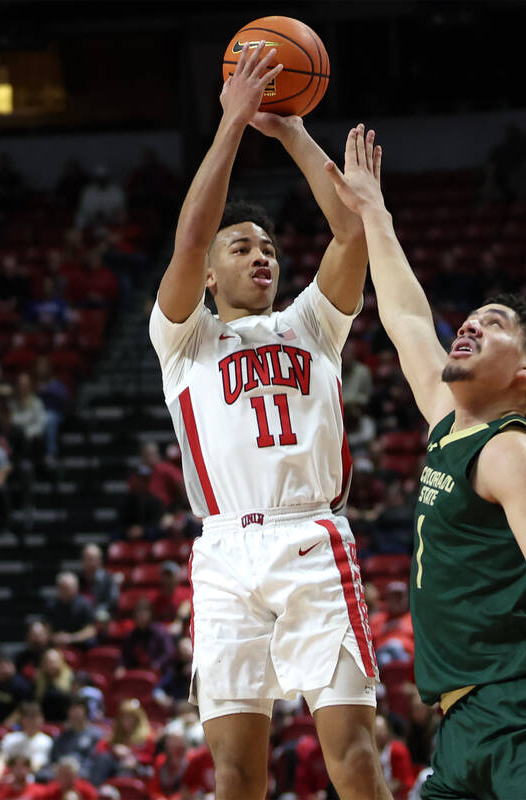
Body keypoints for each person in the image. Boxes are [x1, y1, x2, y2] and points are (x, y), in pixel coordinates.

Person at [326, 123, 526, 798]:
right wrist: (374, 212)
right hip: (462, 725)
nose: (469, 324)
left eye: (493, 322)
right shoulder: (451, 426)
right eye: (470, 318)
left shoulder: (510, 453)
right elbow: (409, 318)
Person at [145, 45, 388, 799]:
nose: (264, 258)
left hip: (310, 535)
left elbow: (353, 234)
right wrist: (230, 125)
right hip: (223, 550)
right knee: (236, 773)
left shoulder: (312, 325)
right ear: (209, 276)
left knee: (352, 757)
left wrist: (287, 132)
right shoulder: (184, 341)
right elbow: (190, 236)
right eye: (243, 247)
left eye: (271, 249)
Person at [0, 701, 53, 778]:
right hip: (7, 777)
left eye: (34, 717)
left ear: (41, 719)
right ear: (22, 720)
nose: (31, 721)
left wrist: (16, 777)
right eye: (27, 717)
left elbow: (36, 766)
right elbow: (0, 759)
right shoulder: (11, 738)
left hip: (31, 778)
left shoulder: (45, 741)